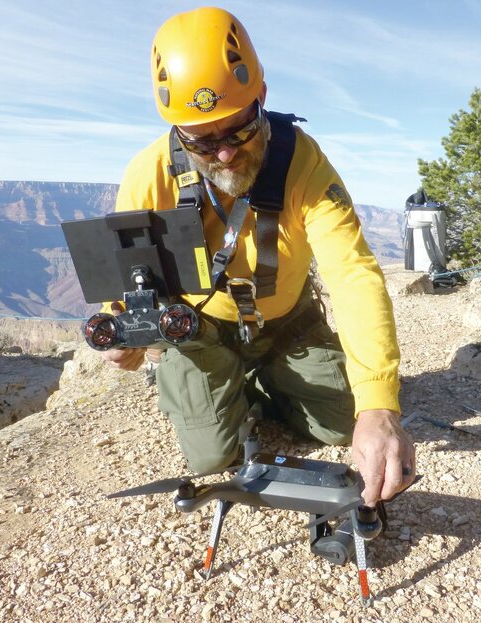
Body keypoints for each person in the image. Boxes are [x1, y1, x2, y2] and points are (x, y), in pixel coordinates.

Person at [100, 6, 414, 506]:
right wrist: (123, 329)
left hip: (288, 322)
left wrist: (379, 406)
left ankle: (263, 381)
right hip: (203, 331)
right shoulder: (149, 174)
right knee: (210, 459)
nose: (225, 153)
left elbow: (352, 274)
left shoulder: (303, 163)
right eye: (203, 139)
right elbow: (131, 277)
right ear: (177, 127)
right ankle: (211, 383)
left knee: (343, 425)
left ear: (261, 98)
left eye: (240, 129)